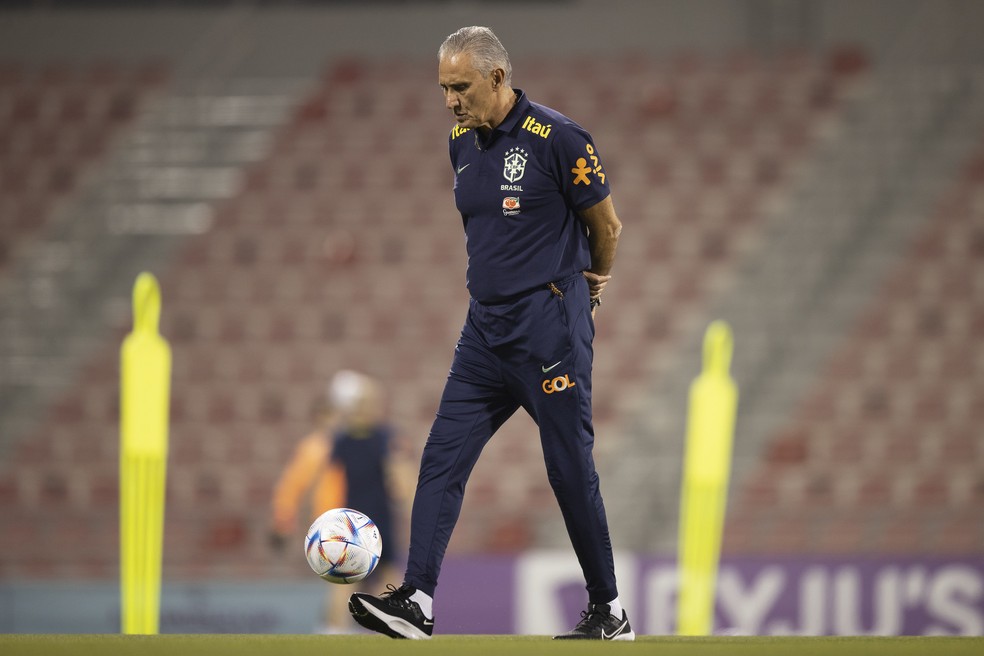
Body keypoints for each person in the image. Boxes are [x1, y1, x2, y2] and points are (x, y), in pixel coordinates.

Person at [348, 26, 631, 641]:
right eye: (444, 88)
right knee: (441, 457)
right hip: (484, 331)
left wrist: (596, 280)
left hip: (548, 326)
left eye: (460, 87)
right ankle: (417, 600)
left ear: (497, 78)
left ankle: (609, 611)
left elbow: (605, 223)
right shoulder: (462, 143)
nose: (450, 101)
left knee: (567, 468)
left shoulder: (559, 138)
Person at [271, 370, 409, 633]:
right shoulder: (375, 438)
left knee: (350, 578)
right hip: (365, 517)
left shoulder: (341, 441)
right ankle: (383, 629)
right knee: (373, 577)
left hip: (352, 518)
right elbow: (398, 481)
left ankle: (339, 630)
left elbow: (303, 482)